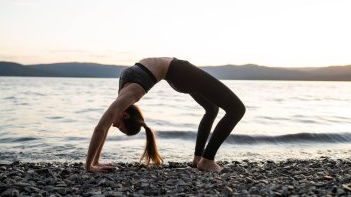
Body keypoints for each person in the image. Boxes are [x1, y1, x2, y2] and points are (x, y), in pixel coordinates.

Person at [85, 57, 246, 172]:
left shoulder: (126, 96)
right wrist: (91, 165)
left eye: (118, 125)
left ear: (125, 116)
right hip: (181, 72)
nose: (113, 124)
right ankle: (207, 160)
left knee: (212, 109)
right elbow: (102, 128)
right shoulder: (129, 96)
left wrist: (93, 163)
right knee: (237, 110)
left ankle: (198, 158)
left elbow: (102, 128)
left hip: (179, 75)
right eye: (118, 126)